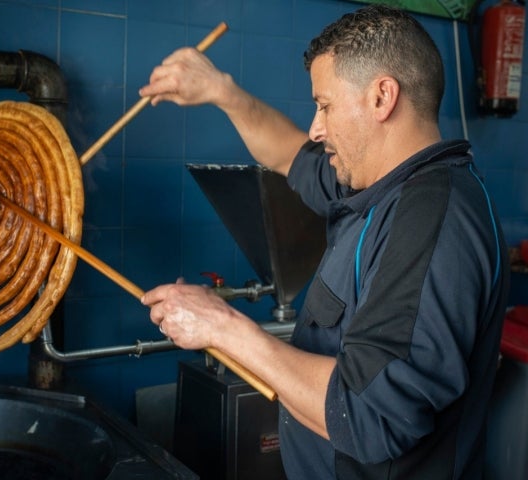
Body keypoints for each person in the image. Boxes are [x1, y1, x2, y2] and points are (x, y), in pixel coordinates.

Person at [139, 4, 509, 479]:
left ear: (382, 98)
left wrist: (222, 326)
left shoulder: (433, 220)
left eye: (325, 105)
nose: (316, 127)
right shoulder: (372, 181)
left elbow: (368, 413)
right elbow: (289, 152)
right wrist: (219, 91)